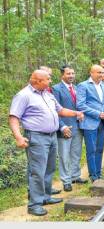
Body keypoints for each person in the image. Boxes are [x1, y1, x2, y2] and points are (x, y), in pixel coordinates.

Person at [9, 70, 84, 216]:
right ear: (37, 81)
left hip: (51, 136)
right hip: (36, 137)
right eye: (48, 79)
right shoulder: (24, 95)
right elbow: (13, 117)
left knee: (49, 168)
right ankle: (34, 204)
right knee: (37, 171)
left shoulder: (48, 94)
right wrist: (18, 137)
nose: (50, 81)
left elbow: (60, 110)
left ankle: (45, 197)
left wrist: (76, 113)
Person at [52, 65, 87, 192]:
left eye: (73, 73)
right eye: (68, 73)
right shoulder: (56, 89)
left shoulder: (77, 88)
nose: (71, 76)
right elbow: (56, 110)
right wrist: (62, 126)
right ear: (62, 75)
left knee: (76, 153)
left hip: (78, 126)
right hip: (65, 127)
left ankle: (75, 176)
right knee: (64, 155)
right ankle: (66, 180)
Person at [77, 65, 104, 182]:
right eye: (98, 72)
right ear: (91, 73)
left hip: (102, 122)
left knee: (100, 148)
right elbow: (80, 105)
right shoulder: (83, 86)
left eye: (102, 72)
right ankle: (93, 175)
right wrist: (98, 113)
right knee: (91, 149)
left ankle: (99, 173)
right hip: (89, 122)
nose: (101, 74)